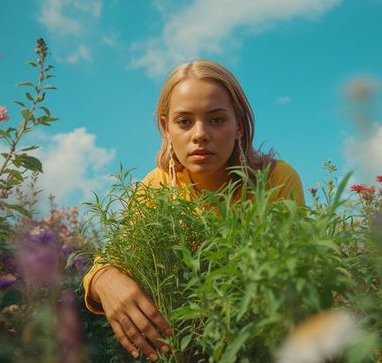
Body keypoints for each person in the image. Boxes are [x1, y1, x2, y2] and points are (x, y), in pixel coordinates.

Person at [82, 59, 305, 361]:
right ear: (166, 128)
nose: (200, 134)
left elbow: (294, 281)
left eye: (216, 120)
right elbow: (109, 261)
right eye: (184, 122)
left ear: (239, 125)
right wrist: (103, 279)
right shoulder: (156, 185)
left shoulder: (276, 180)